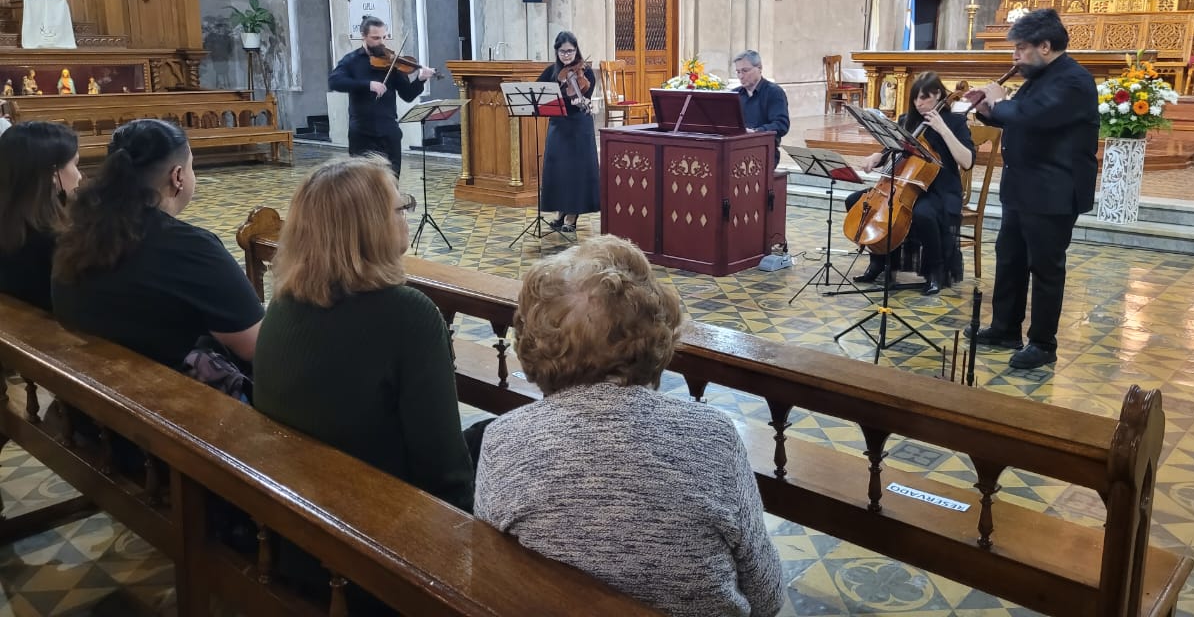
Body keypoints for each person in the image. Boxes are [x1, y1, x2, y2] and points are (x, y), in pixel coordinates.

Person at [475, 235, 784, 617]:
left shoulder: (503, 439)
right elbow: (765, 595)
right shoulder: (713, 437)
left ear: (531, 346)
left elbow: (490, 576)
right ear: (657, 338)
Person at [254, 155, 474, 612]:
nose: (407, 215)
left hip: (289, 525)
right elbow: (444, 473)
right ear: (370, 226)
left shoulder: (284, 300)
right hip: (373, 545)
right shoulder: (408, 314)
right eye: (401, 207)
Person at [52, 119, 263, 372]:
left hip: (93, 387)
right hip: (172, 400)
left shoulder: (77, 233)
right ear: (177, 176)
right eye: (191, 167)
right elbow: (256, 345)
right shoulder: (191, 249)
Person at [963, 9, 1099, 370]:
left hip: (1053, 190)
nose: (1015, 56)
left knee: (1046, 268)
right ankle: (1006, 327)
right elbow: (1018, 116)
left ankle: (1042, 343)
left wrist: (1001, 101)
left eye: (1021, 48)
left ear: (1045, 45)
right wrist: (987, 109)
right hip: (1023, 187)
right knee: (1010, 258)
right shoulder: (1038, 76)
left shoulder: (1073, 81)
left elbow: (1031, 116)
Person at [844, 72, 974, 295]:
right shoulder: (908, 120)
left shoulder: (955, 122)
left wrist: (943, 129)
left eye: (924, 98)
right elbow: (896, 148)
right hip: (905, 184)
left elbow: (967, 160)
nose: (919, 103)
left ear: (939, 95)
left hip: (940, 189)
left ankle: (935, 271)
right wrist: (878, 155)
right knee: (855, 201)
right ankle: (880, 262)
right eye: (915, 98)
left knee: (923, 214)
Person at [328, 16, 436, 178]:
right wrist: (368, 85)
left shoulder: (391, 61)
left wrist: (421, 80)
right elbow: (334, 81)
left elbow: (407, 95)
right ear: (363, 36)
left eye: (384, 37)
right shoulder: (352, 61)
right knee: (363, 184)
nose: (381, 42)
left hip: (388, 131)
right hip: (362, 133)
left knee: (391, 182)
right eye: (375, 38)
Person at [0, 122, 81, 311]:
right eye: (75, 164)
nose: (79, 175)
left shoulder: (12, 225)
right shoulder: (57, 241)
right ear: (53, 174)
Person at [537, 30, 599, 233]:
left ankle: (572, 216)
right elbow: (537, 92)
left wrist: (579, 100)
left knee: (576, 172)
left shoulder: (586, 71)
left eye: (570, 51)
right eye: (563, 52)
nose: (567, 55)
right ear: (556, 52)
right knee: (558, 170)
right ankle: (560, 212)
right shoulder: (551, 71)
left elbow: (585, 95)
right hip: (558, 125)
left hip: (579, 125)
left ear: (576, 50)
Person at [734, 49, 790, 164]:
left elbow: (781, 125)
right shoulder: (734, 94)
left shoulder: (774, 92)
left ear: (759, 68)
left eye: (745, 71)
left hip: (764, 153)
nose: (740, 76)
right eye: (738, 71)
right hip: (736, 150)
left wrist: (756, 132)